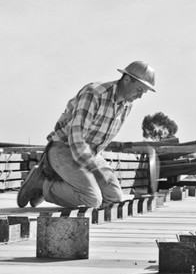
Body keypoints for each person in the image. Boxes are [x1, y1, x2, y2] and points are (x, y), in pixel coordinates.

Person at [17, 61, 156, 210]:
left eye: (144, 92)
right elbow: (76, 139)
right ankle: (42, 184)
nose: (140, 96)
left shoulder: (127, 105)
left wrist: (94, 167)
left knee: (114, 198)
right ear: (127, 79)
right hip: (63, 148)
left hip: (89, 154)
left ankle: (62, 182)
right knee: (92, 200)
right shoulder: (94, 94)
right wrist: (94, 170)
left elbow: (98, 143)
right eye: (139, 89)